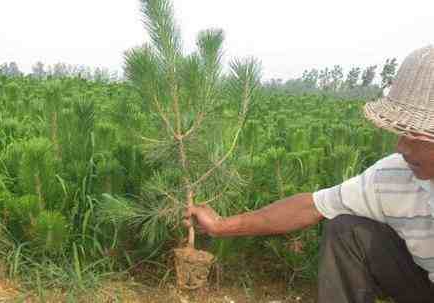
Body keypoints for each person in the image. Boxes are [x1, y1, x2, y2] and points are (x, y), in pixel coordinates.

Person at [185, 45, 434, 303]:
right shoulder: (395, 177)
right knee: (346, 230)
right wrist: (219, 226)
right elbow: (309, 207)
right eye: (402, 132)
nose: (401, 146)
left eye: (418, 135)